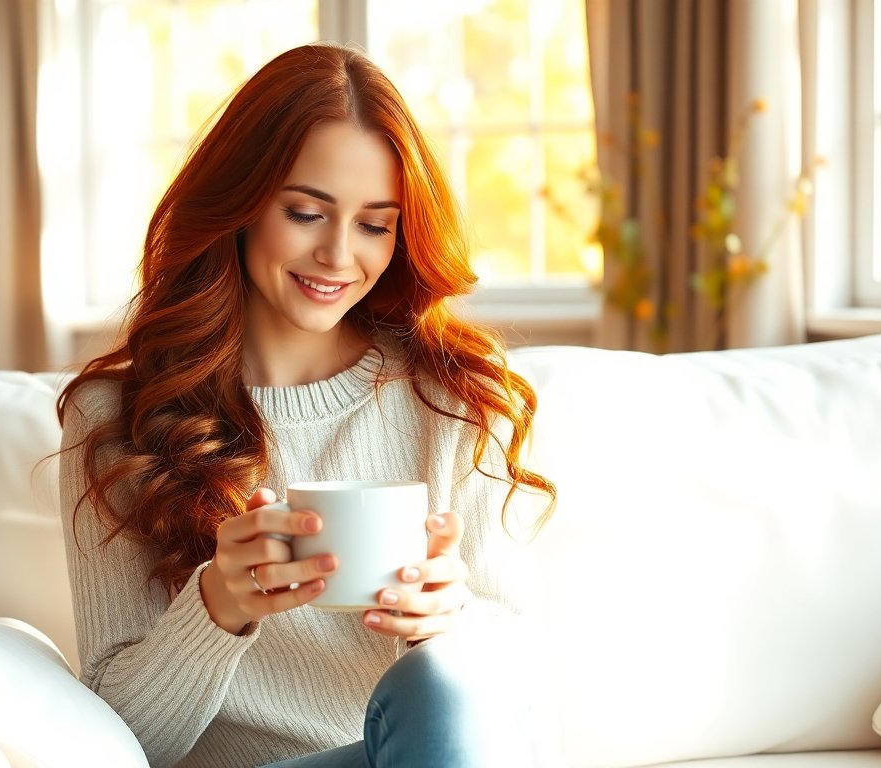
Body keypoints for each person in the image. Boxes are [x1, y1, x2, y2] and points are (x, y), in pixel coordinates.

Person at [57, 42, 556, 768]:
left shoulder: (458, 399)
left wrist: (450, 620)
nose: (338, 256)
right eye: (305, 212)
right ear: (240, 205)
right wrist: (218, 605)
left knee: (440, 685)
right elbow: (117, 741)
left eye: (374, 224)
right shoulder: (116, 418)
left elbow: (523, 694)